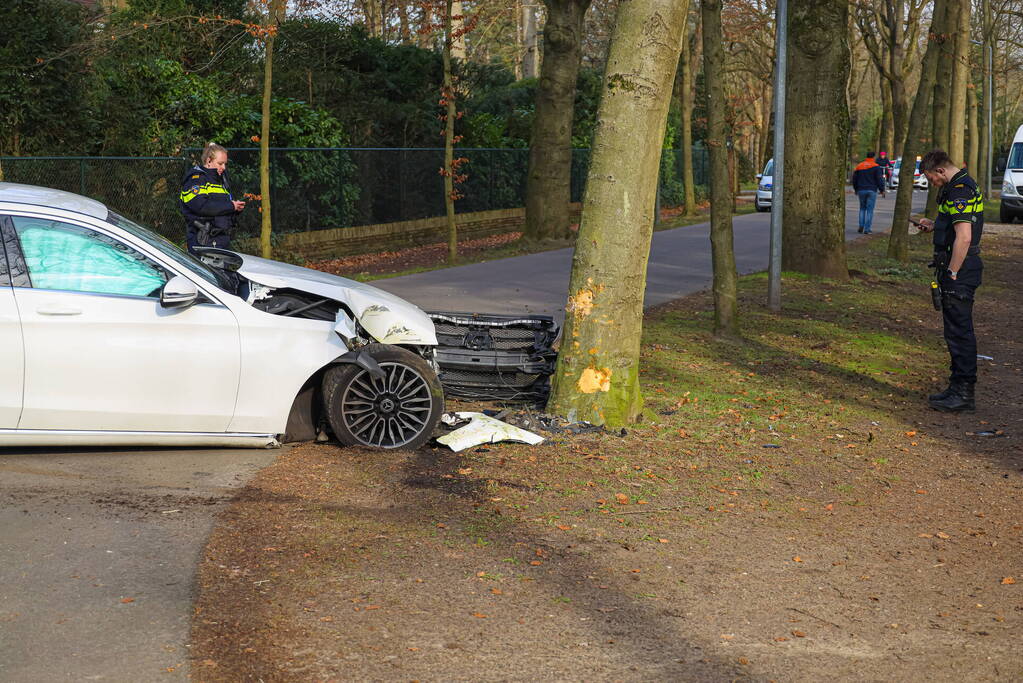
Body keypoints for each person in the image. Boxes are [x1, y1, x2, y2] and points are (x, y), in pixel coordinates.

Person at [914, 149, 984, 412]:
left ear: (941, 170)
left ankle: (964, 394)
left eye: (932, 178)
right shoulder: (959, 185)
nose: (932, 183)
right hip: (960, 268)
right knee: (954, 330)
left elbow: (964, 237)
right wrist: (934, 225)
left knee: (959, 332)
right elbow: (957, 224)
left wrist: (953, 271)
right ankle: (956, 387)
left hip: (961, 271)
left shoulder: (959, 190)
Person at [179, 142, 245, 254]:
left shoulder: (221, 181)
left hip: (221, 240)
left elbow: (221, 209)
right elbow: (202, 207)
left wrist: (235, 209)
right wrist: (230, 206)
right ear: (209, 161)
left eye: (225, 164)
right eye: (220, 163)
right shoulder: (196, 180)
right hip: (204, 242)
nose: (224, 167)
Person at [852, 151, 886, 234]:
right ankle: (867, 229)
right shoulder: (876, 167)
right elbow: (879, 179)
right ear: (873, 157)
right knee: (870, 210)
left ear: (866, 157)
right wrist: (882, 190)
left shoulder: (859, 166)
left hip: (861, 190)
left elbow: (854, 179)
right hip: (871, 190)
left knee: (862, 208)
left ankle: (861, 226)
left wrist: (856, 189)